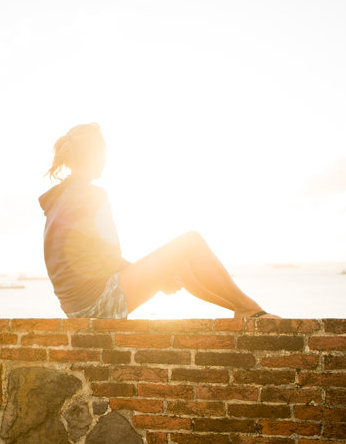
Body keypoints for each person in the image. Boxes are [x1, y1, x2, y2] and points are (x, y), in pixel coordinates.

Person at [39, 123, 275, 319]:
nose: (105, 158)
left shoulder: (58, 200)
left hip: (77, 308)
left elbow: (91, 260)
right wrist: (156, 277)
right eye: (103, 152)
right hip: (98, 305)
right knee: (191, 242)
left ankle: (241, 310)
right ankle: (250, 309)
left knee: (177, 262)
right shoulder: (91, 196)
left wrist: (159, 275)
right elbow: (110, 258)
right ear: (94, 155)